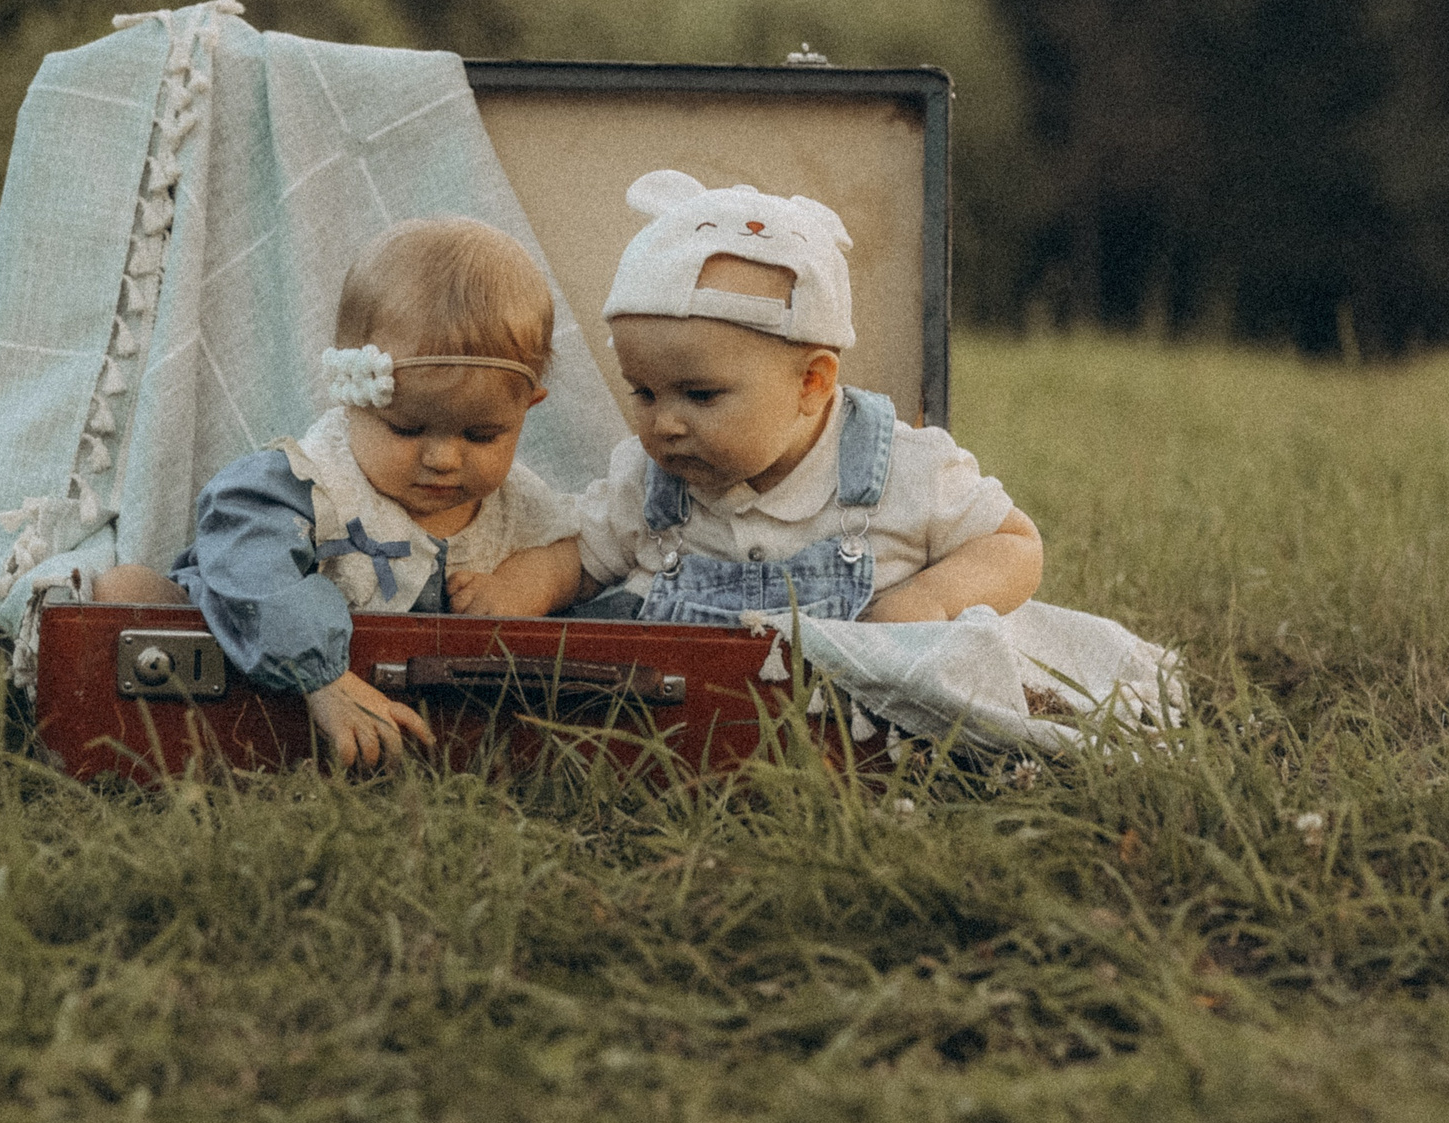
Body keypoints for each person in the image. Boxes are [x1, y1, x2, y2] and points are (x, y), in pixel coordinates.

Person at [90, 218, 580, 766]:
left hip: (432, 710)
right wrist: (321, 680)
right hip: (272, 663)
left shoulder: (519, 502)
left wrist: (529, 583)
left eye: (482, 435)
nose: (442, 458)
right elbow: (249, 557)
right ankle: (166, 638)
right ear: (353, 399)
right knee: (151, 599)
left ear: (526, 409)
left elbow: (578, 553)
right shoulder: (310, 480)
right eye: (407, 429)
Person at [570, 170, 1042, 626]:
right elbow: (578, 557)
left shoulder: (906, 471)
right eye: (644, 392)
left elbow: (1013, 543)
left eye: (700, 394)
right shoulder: (643, 481)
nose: (665, 424)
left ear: (810, 384)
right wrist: (507, 595)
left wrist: (931, 599)